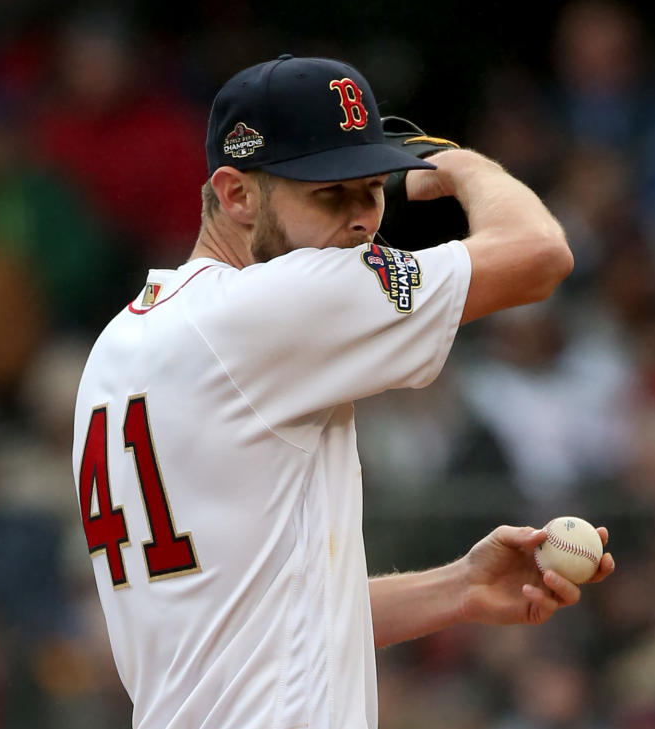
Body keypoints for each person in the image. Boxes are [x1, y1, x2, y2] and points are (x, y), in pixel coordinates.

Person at [72, 54, 615, 729]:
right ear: (237, 194)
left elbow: (262, 620)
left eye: (372, 187)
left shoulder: (118, 347)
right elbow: (539, 254)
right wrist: (464, 165)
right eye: (329, 192)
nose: (362, 219)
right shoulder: (269, 306)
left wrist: (458, 588)